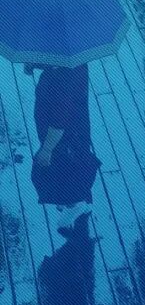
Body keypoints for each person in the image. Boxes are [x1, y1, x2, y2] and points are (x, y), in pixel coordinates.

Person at [29, 64, 99, 234]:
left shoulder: (63, 85)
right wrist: (36, 64)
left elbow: (59, 122)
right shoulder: (74, 63)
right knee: (72, 167)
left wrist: (47, 149)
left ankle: (75, 204)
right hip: (76, 130)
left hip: (63, 138)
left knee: (60, 168)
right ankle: (79, 199)